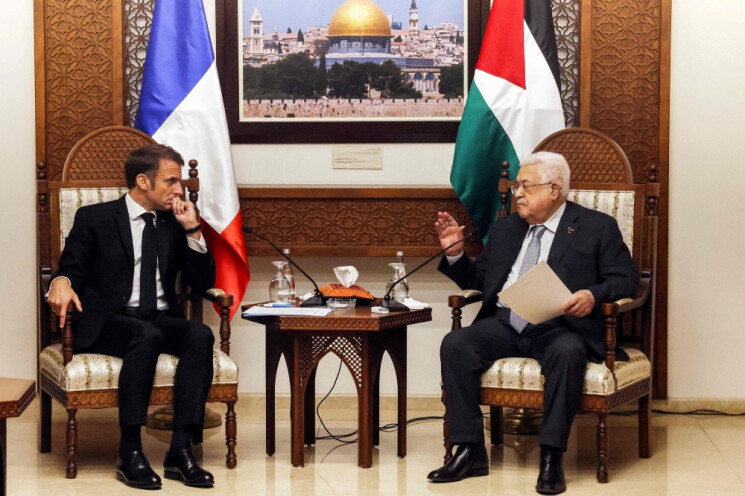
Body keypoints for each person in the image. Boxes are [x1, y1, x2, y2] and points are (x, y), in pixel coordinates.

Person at [427, 152, 637, 494]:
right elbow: (481, 281)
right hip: (505, 322)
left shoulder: (597, 226)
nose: (518, 193)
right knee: (456, 344)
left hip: (560, 326)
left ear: (554, 189)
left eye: (525, 186)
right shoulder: (507, 228)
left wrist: (592, 295)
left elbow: (626, 280)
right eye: (516, 187)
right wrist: (454, 254)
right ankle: (469, 450)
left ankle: (551, 455)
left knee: (568, 352)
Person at [47, 143, 217, 489]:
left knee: (200, 335)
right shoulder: (95, 218)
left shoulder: (174, 223)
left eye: (180, 182)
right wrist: (61, 282)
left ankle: (180, 450)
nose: (179, 190)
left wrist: (192, 230)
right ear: (143, 181)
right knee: (146, 336)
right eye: (171, 181)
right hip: (109, 320)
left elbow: (203, 281)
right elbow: (70, 268)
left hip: (158, 316)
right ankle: (130, 452)